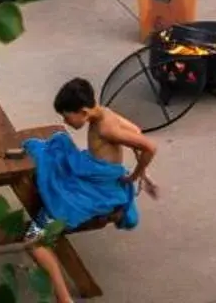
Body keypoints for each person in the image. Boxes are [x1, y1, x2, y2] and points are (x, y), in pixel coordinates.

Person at [28, 77, 158, 303]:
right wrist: (144, 175)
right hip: (96, 177)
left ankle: (64, 299)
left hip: (96, 191)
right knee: (57, 145)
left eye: (67, 117)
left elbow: (149, 146)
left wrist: (136, 175)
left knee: (35, 241)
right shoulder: (105, 112)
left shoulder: (106, 128)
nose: (66, 121)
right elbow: (136, 131)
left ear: (85, 112)